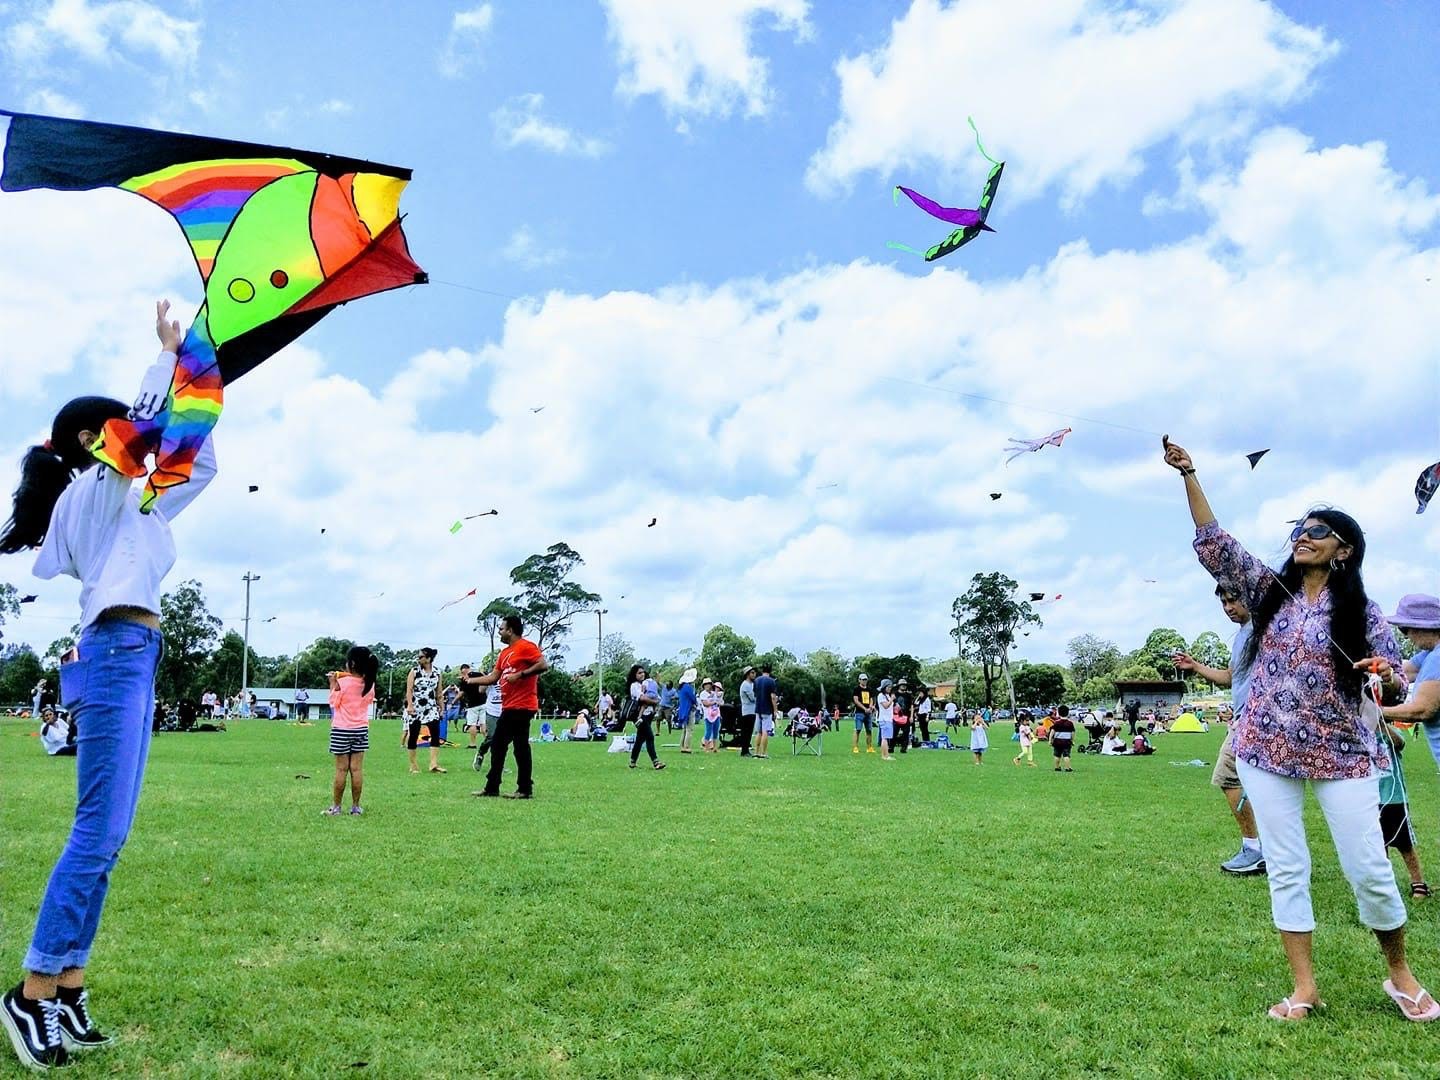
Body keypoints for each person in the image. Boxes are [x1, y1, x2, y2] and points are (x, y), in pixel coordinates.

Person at [0, 301, 213, 1069]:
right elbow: (138, 439)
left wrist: (200, 374)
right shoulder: (91, 490)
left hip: (135, 654)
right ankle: (30, 994)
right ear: (92, 441)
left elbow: (200, 461)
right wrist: (167, 356)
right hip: (116, 648)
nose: (132, 435)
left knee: (109, 837)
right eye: (116, 428)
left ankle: (70, 985)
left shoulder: (137, 501)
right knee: (95, 833)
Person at [1166, 434, 1434, 1022]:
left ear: (1344, 550)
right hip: (1265, 749)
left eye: (1317, 531)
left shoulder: (1364, 613)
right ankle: (1305, 988)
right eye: (1299, 529)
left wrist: (1385, 674)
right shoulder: (1269, 592)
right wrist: (1189, 474)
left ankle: (1399, 974)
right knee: (1288, 866)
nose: (1303, 536)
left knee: (1368, 866)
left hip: (1342, 752)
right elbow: (1217, 545)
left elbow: (1395, 690)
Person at [1174, 585, 1263, 875]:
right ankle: (1269, 850)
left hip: (1254, 718)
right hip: (1244, 717)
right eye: (1223, 602)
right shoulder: (1241, 637)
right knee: (1261, 784)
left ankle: (1255, 849)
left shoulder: (1263, 630)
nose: (1228, 607)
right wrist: (1196, 666)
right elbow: (1230, 677)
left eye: (1233, 600)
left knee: (1227, 775)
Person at [470, 615, 548, 798]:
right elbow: (493, 677)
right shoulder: (504, 653)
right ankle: (518, 788)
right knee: (513, 746)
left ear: (511, 630)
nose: (499, 631)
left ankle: (503, 788)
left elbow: (543, 664)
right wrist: (471, 680)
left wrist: (521, 674)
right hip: (510, 705)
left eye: (502, 628)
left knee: (501, 744)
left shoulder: (526, 646)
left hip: (523, 705)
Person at [1380, 595, 1440, 763]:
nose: (1406, 636)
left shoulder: (1437, 658)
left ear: (1422, 627)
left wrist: (1372, 713)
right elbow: (1402, 672)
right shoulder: (1429, 655)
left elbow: (1421, 710)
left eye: (1405, 628)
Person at [324, 646, 378, 816]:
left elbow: (334, 702)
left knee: (341, 770)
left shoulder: (342, 682)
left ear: (352, 664)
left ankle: (337, 807)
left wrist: (333, 684)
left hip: (341, 729)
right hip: (360, 729)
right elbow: (367, 701)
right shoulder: (369, 683)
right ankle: (355, 807)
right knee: (356, 769)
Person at [1377, 722, 1426, 897]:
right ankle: (1386, 882)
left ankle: (1418, 882)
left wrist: (1381, 725)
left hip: (1394, 798)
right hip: (1370, 799)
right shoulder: (1361, 735)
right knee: (1378, 845)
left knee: (1405, 844)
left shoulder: (1390, 732)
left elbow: (1400, 743)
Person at [403, 648, 445, 775]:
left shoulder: (437, 672)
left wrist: (441, 707)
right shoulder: (414, 671)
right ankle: (413, 765)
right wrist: (410, 706)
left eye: (421, 657)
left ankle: (433, 764)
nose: (419, 659)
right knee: (414, 734)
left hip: (431, 707)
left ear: (428, 658)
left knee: (435, 734)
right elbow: (409, 690)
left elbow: (439, 693)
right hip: (416, 707)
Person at [626, 663, 665, 770]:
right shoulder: (634, 686)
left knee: (640, 739)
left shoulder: (647, 683)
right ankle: (656, 762)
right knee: (650, 737)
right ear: (634, 675)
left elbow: (657, 696)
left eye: (643, 672)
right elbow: (642, 698)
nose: (642, 674)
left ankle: (632, 761)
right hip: (640, 716)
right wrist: (654, 701)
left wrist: (654, 701)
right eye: (639, 673)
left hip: (648, 715)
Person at [457, 663, 485, 751]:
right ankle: (488, 741)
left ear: (462, 671)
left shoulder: (464, 680)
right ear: (469, 668)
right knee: (483, 723)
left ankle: (472, 744)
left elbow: (461, 693)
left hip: (472, 705)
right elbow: (487, 680)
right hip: (484, 703)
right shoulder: (478, 675)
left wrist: (454, 701)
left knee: (472, 724)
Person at [753, 663, 778, 760]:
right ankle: (763, 753)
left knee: (758, 732)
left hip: (758, 709)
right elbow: (773, 697)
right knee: (765, 732)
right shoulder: (771, 681)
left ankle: (756, 752)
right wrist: (775, 710)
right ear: (770, 671)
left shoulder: (756, 680)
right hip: (767, 710)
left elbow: (755, 695)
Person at [852, 672, 876, 754]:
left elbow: (871, 699)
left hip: (868, 713)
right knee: (857, 730)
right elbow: (856, 700)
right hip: (859, 712)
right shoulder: (856, 689)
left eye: (865, 679)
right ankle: (855, 747)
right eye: (863, 679)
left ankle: (869, 747)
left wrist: (870, 707)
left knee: (869, 730)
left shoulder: (869, 689)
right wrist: (864, 708)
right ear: (859, 680)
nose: (864, 681)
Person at [739, 665, 758, 757]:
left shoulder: (752, 684)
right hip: (747, 711)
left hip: (752, 711)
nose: (754, 675)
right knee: (746, 732)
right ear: (747, 674)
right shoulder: (745, 685)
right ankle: (744, 751)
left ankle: (746, 750)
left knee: (749, 732)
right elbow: (753, 698)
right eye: (752, 673)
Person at [876, 679, 896, 761]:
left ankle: (885, 755)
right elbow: (885, 706)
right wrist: (892, 699)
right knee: (884, 738)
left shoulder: (887, 696)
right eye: (888, 687)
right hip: (884, 719)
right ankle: (885, 756)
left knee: (886, 738)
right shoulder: (881, 696)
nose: (890, 688)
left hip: (889, 719)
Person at [1050, 705, 1075, 771]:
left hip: (1057, 741)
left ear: (1059, 713)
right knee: (1066, 755)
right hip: (1066, 742)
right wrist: (1072, 740)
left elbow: (1052, 732)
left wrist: (1050, 740)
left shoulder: (1056, 723)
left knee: (1057, 755)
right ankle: (1067, 767)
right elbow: (1072, 733)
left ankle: (1057, 767)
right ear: (1068, 713)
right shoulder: (1070, 723)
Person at [893, 679, 913, 753]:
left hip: (906, 716)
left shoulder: (908, 695)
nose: (904, 686)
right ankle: (891, 747)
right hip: (896, 717)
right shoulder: (894, 694)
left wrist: (911, 716)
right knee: (894, 733)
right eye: (902, 685)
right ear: (899, 686)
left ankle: (903, 748)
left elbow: (911, 706)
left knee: (906, 733)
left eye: (905, 685)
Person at [704, 681, 723, 753]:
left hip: (716, 714)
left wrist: (719, 701)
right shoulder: (709, 694)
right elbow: (706, 702)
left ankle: (715, 747)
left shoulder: (719, 695)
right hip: (709, 714)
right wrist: (714, 701)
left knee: (716, 731)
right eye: (715, 687)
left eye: (718, 688)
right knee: (708, 731)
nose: (717, 689)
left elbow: (721, 702)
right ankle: (706, 748)